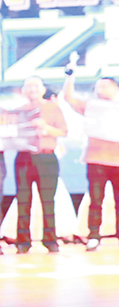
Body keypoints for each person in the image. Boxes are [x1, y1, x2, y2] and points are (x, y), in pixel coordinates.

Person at [62, 73, 119, 251]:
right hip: (96, 159)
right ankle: (93, 236)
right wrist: (70, 77)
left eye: (104, 86)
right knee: (96, 200)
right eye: (98, 87)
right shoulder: (91, 106)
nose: (100, 90)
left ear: (115, 89)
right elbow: (68, 98)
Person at [15, 76, 68, 254]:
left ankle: (50, 240)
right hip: (24, 158)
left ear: (43, 89)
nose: (32, 89)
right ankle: (23, 242)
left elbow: (63, 131)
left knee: (48, 201)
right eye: (28, 86)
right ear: (23, 90)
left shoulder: (53, 107)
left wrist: (45, 128)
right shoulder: (18, 111)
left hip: (47, 158)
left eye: (36, 86)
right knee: (23, 201)